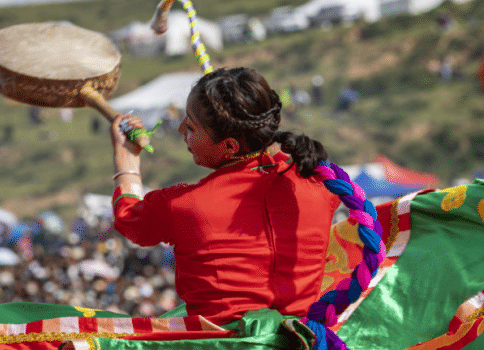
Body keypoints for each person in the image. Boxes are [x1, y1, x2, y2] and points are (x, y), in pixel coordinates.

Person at [110, 67, 340, 327]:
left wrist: (126, 158)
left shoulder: (183, 205)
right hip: (306, 340)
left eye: (192, 126)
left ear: (230, 146)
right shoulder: (321, 185)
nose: (181, 130)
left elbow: (129, 217)